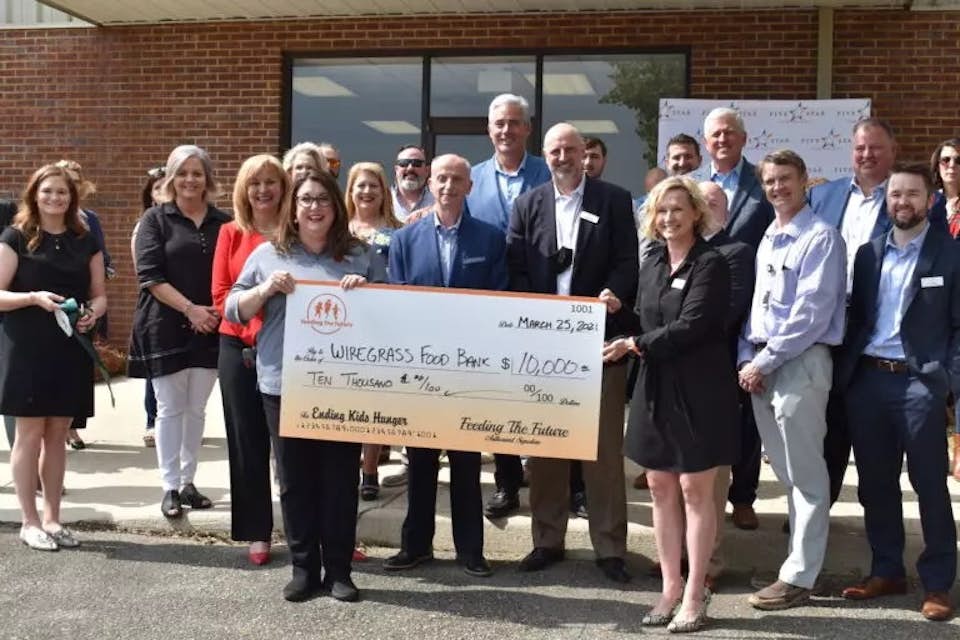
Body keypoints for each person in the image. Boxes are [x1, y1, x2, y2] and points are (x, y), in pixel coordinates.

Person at [225, 169, 383, 603]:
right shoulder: (268, 255)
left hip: (343, 386)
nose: (314, 208)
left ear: (336, 207)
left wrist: (369, 290)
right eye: (306, 200)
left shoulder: (360, 255)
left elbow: (393, 310)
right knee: (294, 480)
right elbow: (233, 309)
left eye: (323, 201)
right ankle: (302, 568)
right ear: (293, 209)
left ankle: (339, 572)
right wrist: (264, 290)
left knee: (338, 480)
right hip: (284, 382)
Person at [604, 176, 737, 632]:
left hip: (699, 390)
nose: (669, 218)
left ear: (696, 213)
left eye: (678, 210)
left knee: (694, 492)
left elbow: (693, 325)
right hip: (655, 386)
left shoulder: (711, 264)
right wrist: (617, 310)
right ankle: (670, 588)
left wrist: (633, 344)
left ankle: (696, 593)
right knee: (660, 486)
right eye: (661, 211)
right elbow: (646, 315)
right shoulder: (654, 262)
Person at [508, 122, 638, 582]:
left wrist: (613, 293)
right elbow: (517, 269)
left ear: (585, 153)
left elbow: (627, 261)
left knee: (602, 449)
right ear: (544, 156)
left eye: (570, 149)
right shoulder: (527, 205)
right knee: (545, 446)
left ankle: (609, 546)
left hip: (600, 341)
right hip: (544, 346)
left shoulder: (615, 201)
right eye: (555, 150)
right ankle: (547, 539)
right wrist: (537, 316)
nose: (563, 157)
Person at [837, 162, 958, 622]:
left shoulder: (951, 255)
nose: (902, 203)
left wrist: (946, 383)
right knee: (875, 485)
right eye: (894, 196)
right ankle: (886, 569)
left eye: (911, 195)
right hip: (868, 380)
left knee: (928, 484)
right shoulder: (868, 254)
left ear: (931, 201)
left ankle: (938, 582)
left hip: (919, 384)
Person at [809, 118, 948, 507]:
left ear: (893, 150)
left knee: (897, 460)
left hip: (888, 334)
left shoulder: (909, 199)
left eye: (876, 147)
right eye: (860, 148)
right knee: (830, 429)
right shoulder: (825, 196)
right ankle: (821, 509)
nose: (867, 154)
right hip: (829, 326)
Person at [383, 154, 507, 578]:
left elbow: (501, 302)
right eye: (442, 178)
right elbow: (397, 302)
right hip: (422, 372)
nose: (449, 186)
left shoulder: (491, 240)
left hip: (469, 373)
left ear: (470, 187)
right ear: (429, 185)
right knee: (419, 463)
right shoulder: (404, 240)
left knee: (467, 464)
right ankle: (415, 546)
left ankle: (470, 550)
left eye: (457, 179)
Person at [738, 150, 846, 610]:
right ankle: (798, 565)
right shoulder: (769, 234)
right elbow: (758, 307)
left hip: (800, 363)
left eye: (785, 179)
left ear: (805, 182)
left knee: (806, 477)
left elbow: (809, 315)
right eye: (769, 181)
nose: (777, 187)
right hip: (765, 364)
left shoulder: (820, 238)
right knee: (787, 475)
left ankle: (800, 577)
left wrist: (763, 363)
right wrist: (750, 357)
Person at [0, 164, 106, 550]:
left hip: (69, 347)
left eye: (62, 192)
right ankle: (29, 522)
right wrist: (33, 298)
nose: (54, 198)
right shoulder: (16, 237)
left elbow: (100, 294)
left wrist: (93, 313)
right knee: (28, 435)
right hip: (27, 346)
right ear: (34, 195)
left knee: (58, 435)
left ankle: (53, 519)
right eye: (47, 191)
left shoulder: (85, 240)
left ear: (72, 197)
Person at [127, 145, 230, 519]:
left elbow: (234, 273)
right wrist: (191, 309)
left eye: (197, 173)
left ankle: (188, 482)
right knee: (170, 409)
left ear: (207, 179)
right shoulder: (156, 219)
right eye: (182, 173)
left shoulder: (224, 222)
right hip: (165, 323)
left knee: (196, 409)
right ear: (172, 178)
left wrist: (214, 312)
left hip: (212, 325)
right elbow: (149, 276)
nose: (190, 180)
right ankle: (169, 485)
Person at [465, 93, 551, 520]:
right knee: (497, 396)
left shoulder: (548, 172)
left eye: (515, 123)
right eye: (499, 123)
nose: (506, 130)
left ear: (527, 129)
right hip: (489, 302)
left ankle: (562, 484)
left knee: (547, 395)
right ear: (489, 128)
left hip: (541, 298)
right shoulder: (471, 178)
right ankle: (506, 481)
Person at [212, 154, 290, 566]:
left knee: (294, 448)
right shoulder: (230, 233)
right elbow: (223, 296)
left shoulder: (297, 233)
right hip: (238, 349)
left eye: (271, 182)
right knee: (248, 444)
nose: (263, 190)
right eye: (254, 183)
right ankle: (257, 532)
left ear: (283, 187)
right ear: (244, 190)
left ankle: (306, 529)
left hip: (286, 352)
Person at [344, 161, 402, 500]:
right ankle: (346, 465)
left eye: (374, 186)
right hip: (344, 327)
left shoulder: (399, 230)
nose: (367, 192)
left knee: (375, 400)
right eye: (360, 186)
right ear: (350, 192)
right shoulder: (338, 229)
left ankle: (370, 469)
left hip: (384, 326)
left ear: (384, 192)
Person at [56, 159, 115, 451]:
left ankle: (74, 428)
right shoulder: (45, 216)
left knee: (80, 369)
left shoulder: (89, 218)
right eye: (67, 179)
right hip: (53, 302)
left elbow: (100, 252)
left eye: (76, 180)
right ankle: (58, 429)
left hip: (84, 301)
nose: (72, 184)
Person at [930, 137, 960, 481]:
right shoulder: (931, 203)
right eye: (946, 160)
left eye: (958, 160)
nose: (952, 166)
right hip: (934, 305)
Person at [701, 107, 773, 251]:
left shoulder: (765, 180)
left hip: (748, 270)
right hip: (699, 271)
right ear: (706, 143)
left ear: (744, 139)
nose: (722, 139)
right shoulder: (689, 183)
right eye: (716, 134)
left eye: (729, 132)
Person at [133, 166, 167, 448]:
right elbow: (144, 272)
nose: (164, 193)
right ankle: (152, 420)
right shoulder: (145, 224)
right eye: (158, 189)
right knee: (155, 370)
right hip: (156, 303)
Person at [391, 145, 434, 223]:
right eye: (404, 163)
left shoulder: (437, 201)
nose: (410, 168)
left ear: (427, 170)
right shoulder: (383, 199)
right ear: (396, 170)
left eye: (417, 163)